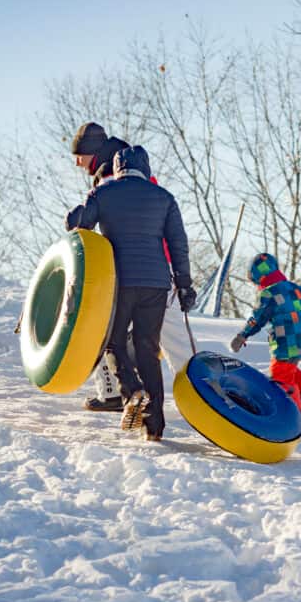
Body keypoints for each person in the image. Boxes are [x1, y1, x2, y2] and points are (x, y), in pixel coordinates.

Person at [66, 145, 195, 441]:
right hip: (156, 285)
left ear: (117, 168)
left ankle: (132, 390)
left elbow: (78, 225)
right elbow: (178, 244)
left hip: (120, 282)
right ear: (145, 168)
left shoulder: (104, 194)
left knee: (112, 344)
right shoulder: (164, 198)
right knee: (148, 349)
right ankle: (155, 427)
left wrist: (86, 201)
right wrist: (185, 284)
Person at [69, 122, 130, 411]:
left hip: (125, 265)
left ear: (90, 152)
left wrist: (76, 221)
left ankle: (115, 394)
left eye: (78, 156)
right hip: (148, 264)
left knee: (104, 328)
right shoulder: (122, 170)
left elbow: (89, 220)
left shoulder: (109, 179)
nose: (76, 163)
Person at [229, 253, 301, 412]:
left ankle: (293, 414)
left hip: (284, 343)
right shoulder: (295, 289)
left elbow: (258, 319)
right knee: (288, 366)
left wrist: (242, 335)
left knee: (281, 379)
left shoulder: (268, 293)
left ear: (259, 277)